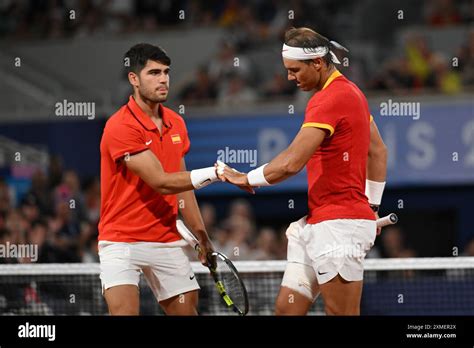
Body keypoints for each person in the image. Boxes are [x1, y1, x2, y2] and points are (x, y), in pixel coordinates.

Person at [219, 28, 388, 315]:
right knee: (287, 310)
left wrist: (246, 178)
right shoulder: (352, 93)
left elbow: (291, 163)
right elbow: (379, 151)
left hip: (338, 227)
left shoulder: (329, 98)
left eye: (294, 70)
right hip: (319, 222)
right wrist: (371, 205)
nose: (289, 77)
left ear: (318, 63)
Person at [98, 43, 242, 315]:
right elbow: (161, 182)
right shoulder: (120, 126)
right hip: (121, 241)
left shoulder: (177, 122)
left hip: (166, 240)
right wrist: (216, 173)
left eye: (166, 72)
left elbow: (182, 187)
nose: (163, 79)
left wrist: (203, 237)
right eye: (153, 73)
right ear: (134, 79)